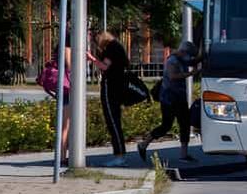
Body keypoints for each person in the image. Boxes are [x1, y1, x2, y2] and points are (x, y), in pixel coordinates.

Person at [137, 41, 203, 163]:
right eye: (189, 55)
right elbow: (173, 76)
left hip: (180, 98)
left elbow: (193, 61)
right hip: (169, 99)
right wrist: (191, 73)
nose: (189, 58)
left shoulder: (182, 59)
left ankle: (184, 154)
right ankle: (143, 144)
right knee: (166, 126)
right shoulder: (172, 60)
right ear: (183, 52)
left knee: (185, 124)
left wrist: (203, 53)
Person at [87, 31, 129, 167]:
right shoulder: (118, 46)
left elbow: (105, 66)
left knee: (112, 121)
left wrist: (92, 59)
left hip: (111, 87)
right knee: (115, 121)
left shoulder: (112, 48)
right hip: (118, 86)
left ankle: (119, 155)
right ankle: (120, 154)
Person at [51, 34, 71, 166]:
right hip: (67, 88)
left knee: (64, 124)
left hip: (62, 87)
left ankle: (63, 155)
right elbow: (70, 67)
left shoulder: (59, 48)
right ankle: (62, 157)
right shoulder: (67, 48)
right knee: (65, 125)